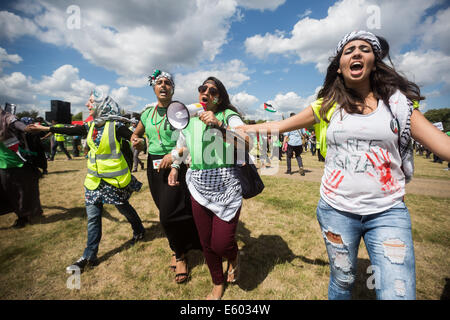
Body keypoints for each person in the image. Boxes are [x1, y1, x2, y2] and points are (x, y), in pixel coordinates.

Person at [237, 30, 450, 300]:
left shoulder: (398, 104)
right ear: (339, 67)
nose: (357, 53)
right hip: (336, 211)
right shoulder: (328, 104)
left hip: (387, 213)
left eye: (365, 49)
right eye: (349, 51)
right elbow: (278, 126)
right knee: (342, 280)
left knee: (398, 293)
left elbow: (444, 147)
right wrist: (241, 127)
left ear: (375, 61)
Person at [29, 92, 146, 273]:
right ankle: (89, 255)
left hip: (113, 181)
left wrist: (139, 143)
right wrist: (48, 129)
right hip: (93, 181)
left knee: (124, 208)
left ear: (101, 104)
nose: (87, 104)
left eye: (91, 101)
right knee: (93, 218)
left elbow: (136, 139)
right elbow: (70, 128)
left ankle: (139, 230)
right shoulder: (91, 126)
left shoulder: (116, 126)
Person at [168, 76, 250, 300]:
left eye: (212, 90)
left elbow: (246, 141)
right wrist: (175, 166)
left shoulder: (228, 116)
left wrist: (220, 126)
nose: (205, 92)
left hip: (227, 187)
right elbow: (181, 146)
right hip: (198, 187)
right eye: (202, 88)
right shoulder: (190, 119)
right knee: (206, 242)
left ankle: (232, 257)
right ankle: (217, 282)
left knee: (222, 244)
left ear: (219, 97)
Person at [131, 70, 201, 284]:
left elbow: (191, 140)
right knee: (166, 209)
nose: (164, 86)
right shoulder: (146, 114)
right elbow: (138, 134)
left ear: (173, 88)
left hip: (177, 164)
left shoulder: (181, 110)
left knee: (169, 215)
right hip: (154, 168)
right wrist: (137, 141)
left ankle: (179, 255)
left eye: (168, 83)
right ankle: (180, 245)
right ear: (153, 87)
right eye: (159, 82)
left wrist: (174, 157)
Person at [0, 108, 43, 228]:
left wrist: (26, 128)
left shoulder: (6, 117)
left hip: (16, 163)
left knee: (21, 193)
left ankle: (23, 217)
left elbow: (16, 123)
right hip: (2, 164)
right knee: (8, 193)